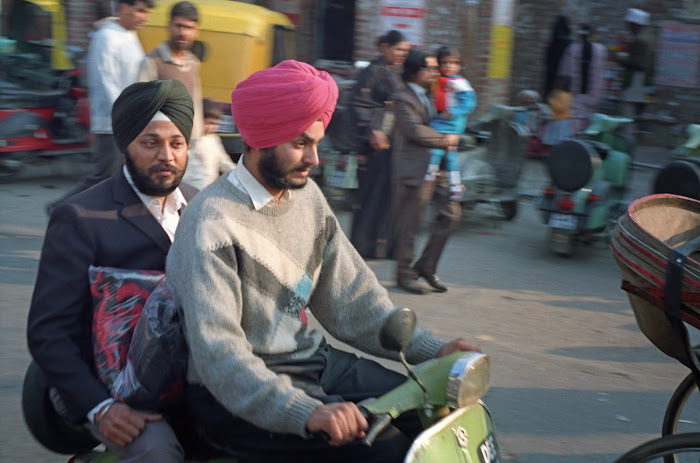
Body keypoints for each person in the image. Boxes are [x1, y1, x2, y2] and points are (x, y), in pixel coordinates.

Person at [166, 59, 480, 463]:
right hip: (233, 394)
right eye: (300, 143)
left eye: (316, 142)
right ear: (261, 139)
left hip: (311, 361)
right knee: (388, 454)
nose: (314, 157)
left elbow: (353, 299)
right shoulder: (211, 224)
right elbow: (221, 356)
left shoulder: (308, 198)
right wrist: (309, 412)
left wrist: (433, 350)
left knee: (429, 414)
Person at [28, 79, 196, 463]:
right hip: (105, 384)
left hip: (189, 378)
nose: (166, 156)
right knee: (157, 452)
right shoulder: (80, 217)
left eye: (176, 143)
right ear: (125, 145)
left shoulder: (203, 207)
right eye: (150, 142)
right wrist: (100, 407)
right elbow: (49, 332)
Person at [46, 0, 154, 213]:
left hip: (130, 120)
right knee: (105, 175)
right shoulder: (106, 37)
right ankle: (59, 208)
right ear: (123, 8)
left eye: (146, 12)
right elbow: (106, 81)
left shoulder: (130, 36)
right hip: (110, 122)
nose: (145, 17)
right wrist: (125, 114)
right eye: (140, 11)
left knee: (126, 176)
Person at [391, 48, 462, 295]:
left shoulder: (434, 93)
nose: (435, 72)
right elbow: (413, 129)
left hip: (438, 166)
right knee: (411, 224)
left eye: (435, 67)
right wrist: (444, 139)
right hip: (415, 168)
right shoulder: (402, 97)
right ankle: (404, 274)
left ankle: (427, 265)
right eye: (429, 68)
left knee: (451, 214)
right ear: (413, 71)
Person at [348, 30, 410, 259]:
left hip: (391, 145)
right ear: (384, 47)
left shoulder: (395, 72)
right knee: (369, 196)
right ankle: (362, 247)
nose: (402, 54)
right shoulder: (372, 72)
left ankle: (380, 246)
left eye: (405, 51)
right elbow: (358, 104)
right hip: (374, 144)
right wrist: (371, 130)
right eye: (398, 49)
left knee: (386, 196)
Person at [139, 1, 203, 144]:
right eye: (179, 26)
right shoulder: (152, 61)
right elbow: (142, 108)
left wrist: (197, 139)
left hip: (187, 144)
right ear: (169, 26)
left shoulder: (193, 63)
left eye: (188, 27)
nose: (183, 32)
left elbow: (196, 105)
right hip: (161, 144)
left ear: (196, 31)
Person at [427, 46, 477, 200]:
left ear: (459, 65)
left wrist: (453, 112)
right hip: (437, 123)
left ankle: (455, 184)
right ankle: (431, 176)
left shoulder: (461, 83)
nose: (449, 66)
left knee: (450, 156)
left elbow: (469, 103)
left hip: (451, 125)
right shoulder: (437, 81)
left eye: (453, 63)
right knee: (436, 151)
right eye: (445, 63)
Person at [558, 24, 608, 134]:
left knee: (574, 124)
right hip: (593, 96)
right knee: (589, 124)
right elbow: (602, 74)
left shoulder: (572, 48)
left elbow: (564, 73)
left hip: (575, 96)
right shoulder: (600, 50)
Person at [182, 98, 236, 190]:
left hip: (208, 191)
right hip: (188, 191)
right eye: (208, 123)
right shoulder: (185, 140)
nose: (212, 127)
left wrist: (242, 174)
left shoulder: (214, 140)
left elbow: (224, 163)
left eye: (215, 124)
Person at [617, 8, 654, 139]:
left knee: (626, 117)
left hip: (634, 82)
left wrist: (621, 57)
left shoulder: (640, 40)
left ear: (635, 24)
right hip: (640, 82)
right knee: (630, 117)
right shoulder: (646, 38)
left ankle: (626, 145)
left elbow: (638, 62)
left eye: (630, 24)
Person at [543, 15, 571, 98]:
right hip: (562, 77)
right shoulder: (568, 43)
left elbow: (546, 61)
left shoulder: (552, 42)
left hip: (550, 75)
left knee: (549, 96)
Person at [541, 75, 573, 147]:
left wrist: (551, 100)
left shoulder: (565, 95)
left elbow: (561, 108)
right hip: (556, 119)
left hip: (561, 121)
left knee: (559, 140)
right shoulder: (558, 93)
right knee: (554, 140)